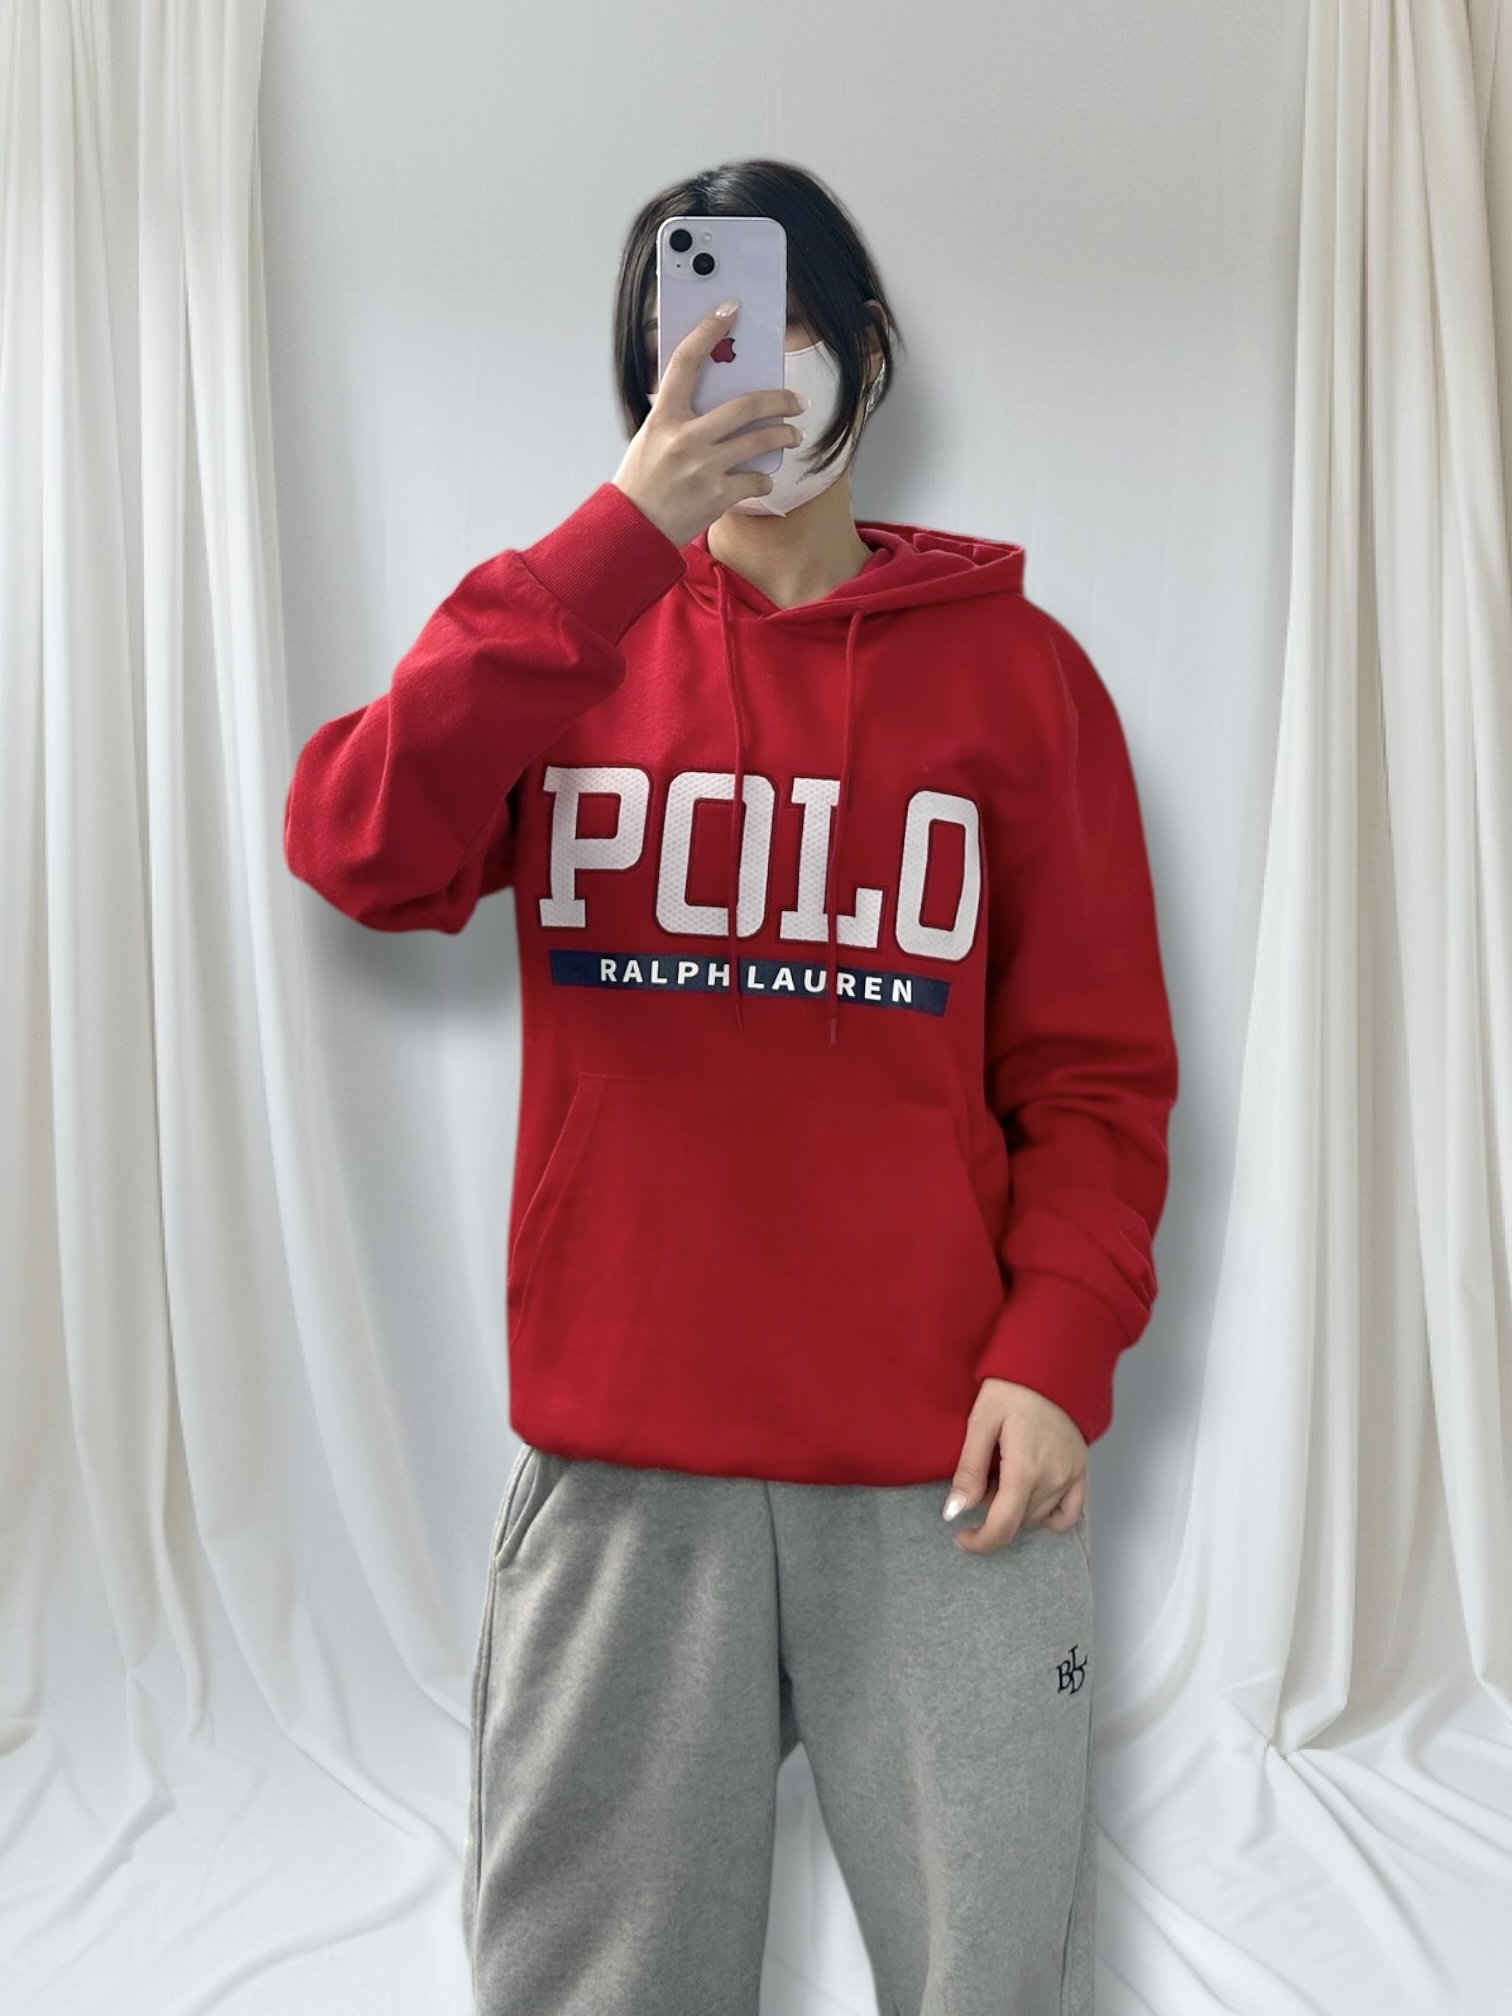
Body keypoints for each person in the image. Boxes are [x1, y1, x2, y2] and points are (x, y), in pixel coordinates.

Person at [283, 157, 1178, 2016]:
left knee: (994, 1981)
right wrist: (616, 542)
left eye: (777, 325)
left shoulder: (1024, 684)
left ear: (869, 351)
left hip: (946, 1465)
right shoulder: (562, 650)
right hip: (628, 1468)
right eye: (682, 340)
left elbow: (1096, 1076)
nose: (736, 367)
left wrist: (1056, 1351)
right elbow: (359, 843)